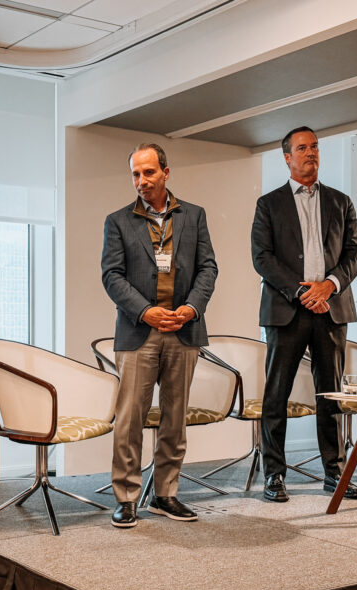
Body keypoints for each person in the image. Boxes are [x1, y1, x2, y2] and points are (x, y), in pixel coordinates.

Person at [101, 143, 217, 528]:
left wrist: (191, 308)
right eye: (135, 174)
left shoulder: (194, 216)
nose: (141, 181)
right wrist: (145, 311)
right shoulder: (118, 221)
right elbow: (112, 276)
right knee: (129, 419)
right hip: (139, 331)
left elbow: (208, 269)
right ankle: (126, 497)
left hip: (184, 329)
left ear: (166, 172)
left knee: (174, 418)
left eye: (148, 172)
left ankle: (165, 494)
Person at [251, 126, 357, 502]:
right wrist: (302, 292)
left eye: (314, 146)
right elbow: (262, 257)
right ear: (287, 157)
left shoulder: (341, 202)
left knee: (330, 395)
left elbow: (355, 253)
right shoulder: (269, 204)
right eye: (302, 148)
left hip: (331, 309)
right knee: (276, 395)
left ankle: (335, 472)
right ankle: (274, 474)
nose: (311, 152)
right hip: (287, 310)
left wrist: (328, 286)